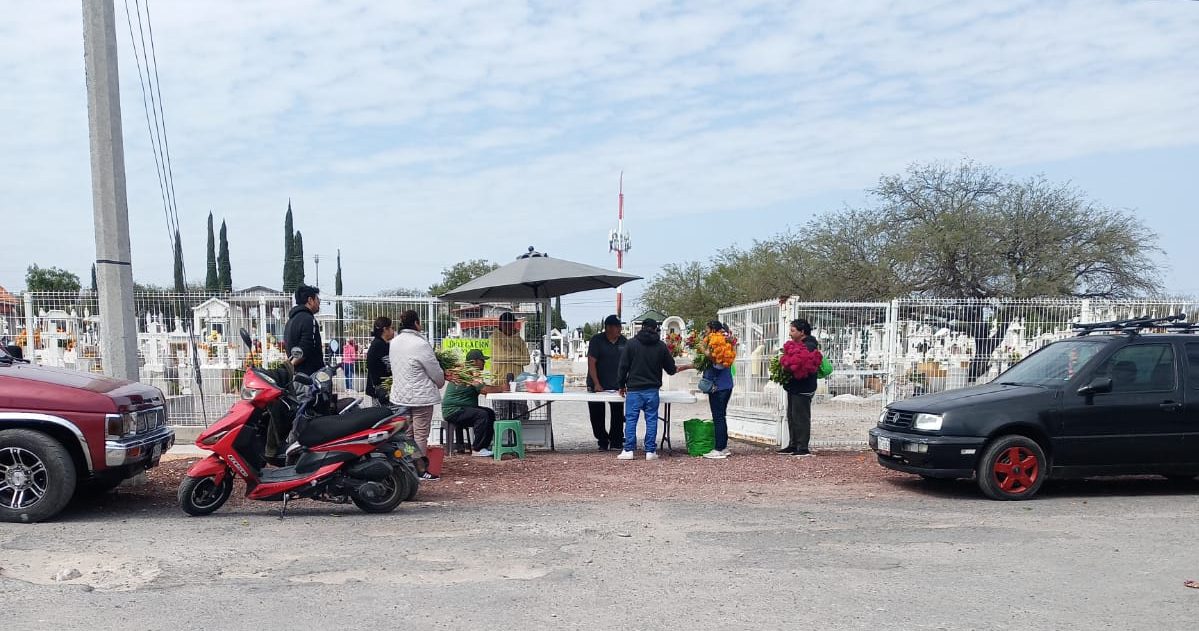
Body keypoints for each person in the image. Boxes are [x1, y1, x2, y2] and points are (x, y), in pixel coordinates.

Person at [617, 318, 689, 460]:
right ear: (656, 329)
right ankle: (650, 451)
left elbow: (623, 367)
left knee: (631, 419)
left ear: (642, 328)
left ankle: (629, 450)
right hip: (652, 390)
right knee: (651, 419)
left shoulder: (631, 344)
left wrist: (621, 385)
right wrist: (684, 367)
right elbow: (670, 369)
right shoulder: (661, 346)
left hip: (634, 389)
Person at [389, 309, 446, 480]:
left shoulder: (394, 342)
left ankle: (408, 467)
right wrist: (441, 381)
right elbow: (434, 370)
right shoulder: (420, 344)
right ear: (416, 323)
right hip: (421, 396)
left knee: (406, 435)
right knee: (421, 434)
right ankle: (420, 470)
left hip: (400, 395)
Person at [441, 349, 504, 457]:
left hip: (461, 409)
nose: (484, 362)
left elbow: (483, 388)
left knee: (489, 413)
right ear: (474, 361)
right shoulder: (471, 373)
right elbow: (484, 390)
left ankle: (484, 446)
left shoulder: (465, 371)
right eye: (482, 360)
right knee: (482, 415)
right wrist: (502, 387)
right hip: (454, 410)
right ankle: (477, 449)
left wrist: (498, 388)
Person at [779, 318, 821, 457]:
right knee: (792, 415)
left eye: (793, 330)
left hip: (803, 386)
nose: (790, 334)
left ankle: (802, 447)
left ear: (802, 332)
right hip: (794, 386)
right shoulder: (797, 344)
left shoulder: (809, 346)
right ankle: (793, 444)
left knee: (801, 417)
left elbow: (802, 363)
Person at [587, 314, 627, 451]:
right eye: (617, 327)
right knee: (597, 413)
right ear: (608, 328)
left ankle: (616, 440)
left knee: (617, 412)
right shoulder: (597, 340)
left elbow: (628, 363)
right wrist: (596, 383)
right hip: (598, 383)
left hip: (617, 384)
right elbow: (591, 363)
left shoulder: (624, 341)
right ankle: (602, 439)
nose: (619, 329)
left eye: (620, 327)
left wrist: (625, 383)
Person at [700, 320, 735, 460]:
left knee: (718, 417)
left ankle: (719, 448)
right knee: (721, 416)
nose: (706, 332)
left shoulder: (718, 342)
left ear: (713, 329)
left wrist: (703, 349)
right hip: (726, 385)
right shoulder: (727, 342)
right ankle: (723, 446)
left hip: (718, 387)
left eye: (707, 329)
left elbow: (717, 363)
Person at [489, 311, 529, 420]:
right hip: (499, 381)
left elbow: (527, 359)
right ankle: (502, 437)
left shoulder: (519, 340)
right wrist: (516, 356)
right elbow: (497, 356)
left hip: (518, 383)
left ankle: (521, 437)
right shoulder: (494, 338)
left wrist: (507, 357)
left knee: (522, 415)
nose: (509, 326)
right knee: (500, 416)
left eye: (511, 323)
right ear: (501, 324)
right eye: (506, 323)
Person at [283, 285, 324, 375]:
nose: (319, 302)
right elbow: (305, 348)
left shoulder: (290, 321)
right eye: (317, 299)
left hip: (296, 376)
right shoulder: (309, 319)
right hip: (309, 377)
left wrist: (291, 366)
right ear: (310, 300)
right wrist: (291, 365)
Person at [366, 317, 394, 406]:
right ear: (385, 329)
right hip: (381, 390)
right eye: (391, 328)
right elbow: (389, 365)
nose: (393, 331)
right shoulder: (379, 345)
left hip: (380, 389)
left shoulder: (381, 344)